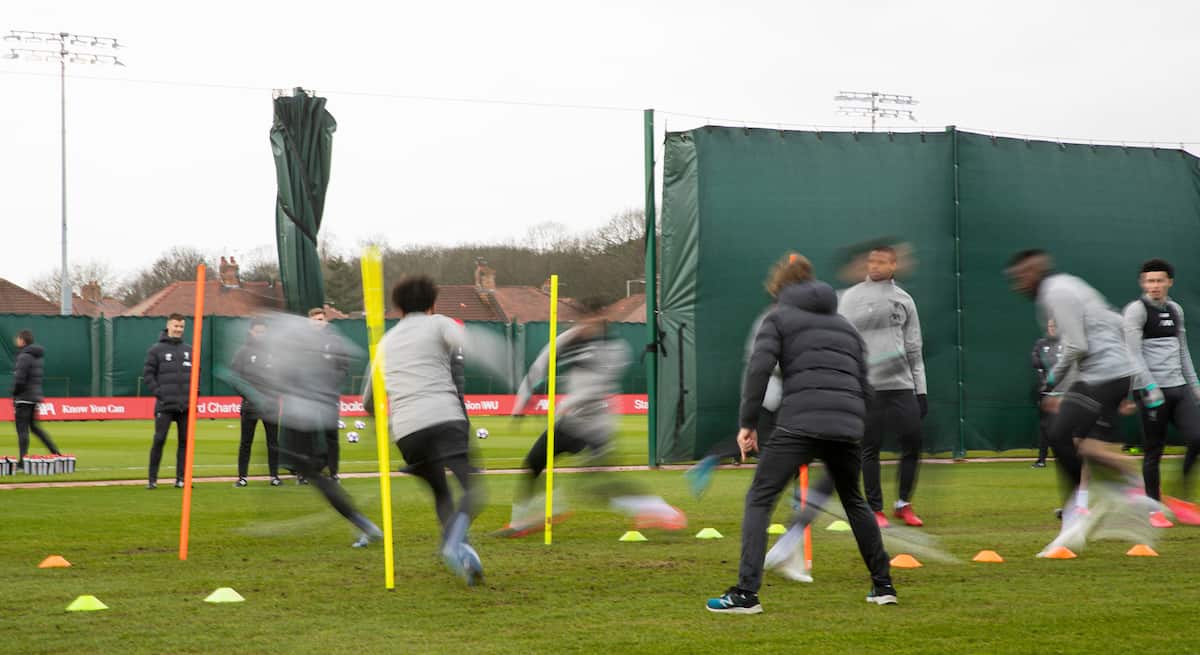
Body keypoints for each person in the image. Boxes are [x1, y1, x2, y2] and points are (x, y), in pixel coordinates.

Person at [706, 253, 894, 614]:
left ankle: (746, 594)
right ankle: (883, 586)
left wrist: (747, 423)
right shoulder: (845, 326)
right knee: (855, 502)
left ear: (780, 289)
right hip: (847, 426)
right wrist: (855, 422)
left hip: (799, 424)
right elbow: (865, 384)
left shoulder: (777, 318)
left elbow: (759, 371)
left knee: (760, 498)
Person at [1006, 249, 1161, 555]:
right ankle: (1123, 487)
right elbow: (1110, 323)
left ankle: (1077, 518)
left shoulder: (1056, 293)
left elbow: (1077, 345)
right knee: (1085, 447)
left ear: (1035, 271)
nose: (1018, 284)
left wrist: (1052, 385)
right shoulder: (1069, 285)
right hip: (1110, 376)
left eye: (1021, 277)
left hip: (1102, 376)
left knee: (1060, 434)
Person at [504, 298, 685, 536]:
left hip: (597, 427)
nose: (590, 324)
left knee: (594, 485)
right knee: (533, 463)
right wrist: (521, 402)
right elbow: (540, 364)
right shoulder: (568, 339)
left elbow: (596, 388)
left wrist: (565, 404)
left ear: (603, 317)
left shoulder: (614, 349)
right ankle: (522, 521)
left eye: (596, 318)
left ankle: (661, 510)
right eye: (586, 319)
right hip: (569, 423)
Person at [362, 275, 483, 584]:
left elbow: (368, 401)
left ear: (397, 308)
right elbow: (468, 344)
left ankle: (459, 550)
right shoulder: (439, 322)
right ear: (432, 304)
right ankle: (454, 544)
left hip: (406, 432)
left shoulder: (386, 342)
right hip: (444, 416)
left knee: (440, 491)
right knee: (474, 488)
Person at [262, 312, 381, 548]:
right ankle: (364, 523)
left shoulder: (293, 336)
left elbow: (283, 374)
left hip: (303, 416)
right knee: (313, 473)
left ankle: (365, 524)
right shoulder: (303, 337)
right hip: (309, 412)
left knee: (314, 473)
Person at [837, 245, 929, 527]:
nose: (874, 266)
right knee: (870, 447)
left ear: (893, 265)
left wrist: (921, 390)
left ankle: (903, 503)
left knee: (913, 442)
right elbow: (840, 341)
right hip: (867, 386)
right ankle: (874, 509)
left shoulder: (904, 299)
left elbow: (914, 349)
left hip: (902, 386)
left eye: (881, 262)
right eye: (871, 261)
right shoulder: (851, 298)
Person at [1121, 258, 1200, 526]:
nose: (1154, 286)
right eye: (1149, 281)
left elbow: (1182, 350)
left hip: (1179, 388)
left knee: (1197, 438)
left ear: (1169, 282)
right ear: (1143, 283)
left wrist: (1195, 386)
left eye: (1159, 281)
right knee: (1154, 450)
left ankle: (1179, 498)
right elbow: (1132, 355)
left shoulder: (1176, 309)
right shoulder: (1136, 310)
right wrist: (1151, 387)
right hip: (1151, 391)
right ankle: (1153, 508)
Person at [230, 319, 281, 487]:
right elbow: (235, 378)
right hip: (250, 406)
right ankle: (242, 477)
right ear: (251, 332)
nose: (261, 334)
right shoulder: (243, 352)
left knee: (273, 442)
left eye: (263, 331)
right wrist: (249, 396)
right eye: (258, 331)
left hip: (270, 406)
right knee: (246, 442)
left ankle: (274, 476)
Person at [143, 314, 192, 489]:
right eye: (176, 326)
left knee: (185, 442)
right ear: (168, 326)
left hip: (185, 406)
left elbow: (196, 374)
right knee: (159, 440)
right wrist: (160, 393)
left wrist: (195, 394)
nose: (178, 329)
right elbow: (148, 375)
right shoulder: (156, 350)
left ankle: (181, 479)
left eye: (181, 327)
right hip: (165, 404)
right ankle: (152, 480)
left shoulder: (189, 349)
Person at [11, 329, 60, 470]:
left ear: (22, 340)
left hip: (24, 397)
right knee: (35, 428)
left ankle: (22, 461)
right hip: (34, 397)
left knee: (22, 430)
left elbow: (20, 379)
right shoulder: (37, 356)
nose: (16, 341)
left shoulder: (24, 356)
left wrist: (15, 394)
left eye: (18, 338)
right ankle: (55, 452)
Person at [309, 307, 348, 481]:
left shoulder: (335, 342)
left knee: (331, 435)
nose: (320, 323)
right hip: (309, 395)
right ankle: (310, 472)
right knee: (309, 434)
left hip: (329, 396)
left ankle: (333, 472)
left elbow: (343, 367)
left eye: (321, 320)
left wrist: (330, 383)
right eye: (316, 320)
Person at [1031, 320, 1067, 468]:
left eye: (1055, 326)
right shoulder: (1041, 344)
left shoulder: (1067, 344)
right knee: (1045, 426)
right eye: (1050, 326)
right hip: (1047, 392)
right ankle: (1041, 459)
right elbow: (1035, 361)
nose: (1052, 329)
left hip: (1065, 392)